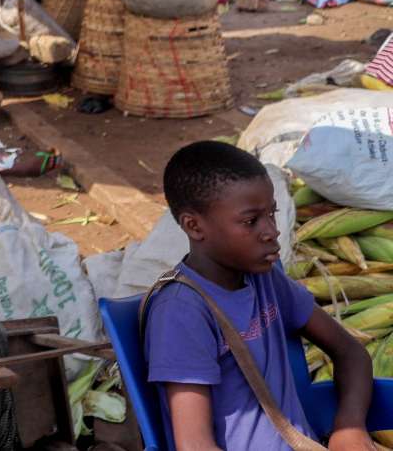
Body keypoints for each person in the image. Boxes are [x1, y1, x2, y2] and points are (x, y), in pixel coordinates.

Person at [146, 141, 376, 451]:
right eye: (250, 221)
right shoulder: (181, 312)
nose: (272, 231)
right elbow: (195, 445)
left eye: (272, 213)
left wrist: (349, 427)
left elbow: (350, 352)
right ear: (194, 226)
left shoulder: (265, 280)